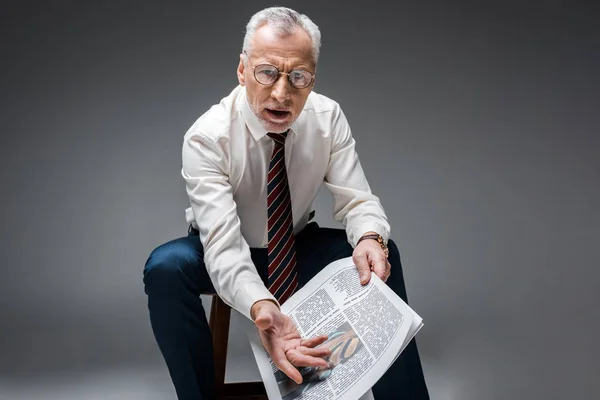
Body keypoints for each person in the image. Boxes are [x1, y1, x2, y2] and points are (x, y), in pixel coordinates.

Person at [143, 6, 429, 400]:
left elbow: (358, 200)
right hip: (222, 249)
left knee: (380, 253)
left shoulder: (328, 118)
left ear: (312, 78)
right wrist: (262, 306)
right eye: (266, 72)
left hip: (295, 244)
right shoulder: (207, 137)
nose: (281, 93)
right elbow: (223, 247)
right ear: (242, 70)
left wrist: (369, 237)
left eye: (298, 77)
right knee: (165, 268)